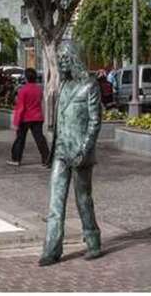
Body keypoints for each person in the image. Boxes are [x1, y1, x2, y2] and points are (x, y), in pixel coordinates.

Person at [39, 44, 102, 267]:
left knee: (83, 199)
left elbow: (95, 121)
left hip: (80, 153)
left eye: (66, 58)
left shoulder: (90, 86)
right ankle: (51, 249)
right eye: (60, 59)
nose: (62, 62)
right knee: (55, 202)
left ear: (75, 59)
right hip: (60, 151)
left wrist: (84, 150)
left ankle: (93, 241)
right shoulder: (63, 85)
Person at [7, 68, 49, 166]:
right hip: (37, 117)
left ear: (26, 78)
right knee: (40, 139)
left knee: (20, 139)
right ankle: (46, 159)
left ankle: (16, 159)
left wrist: (16, 121)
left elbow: (20, 107)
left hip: (25, 118)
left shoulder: (23, 90)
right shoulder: (39, 89)